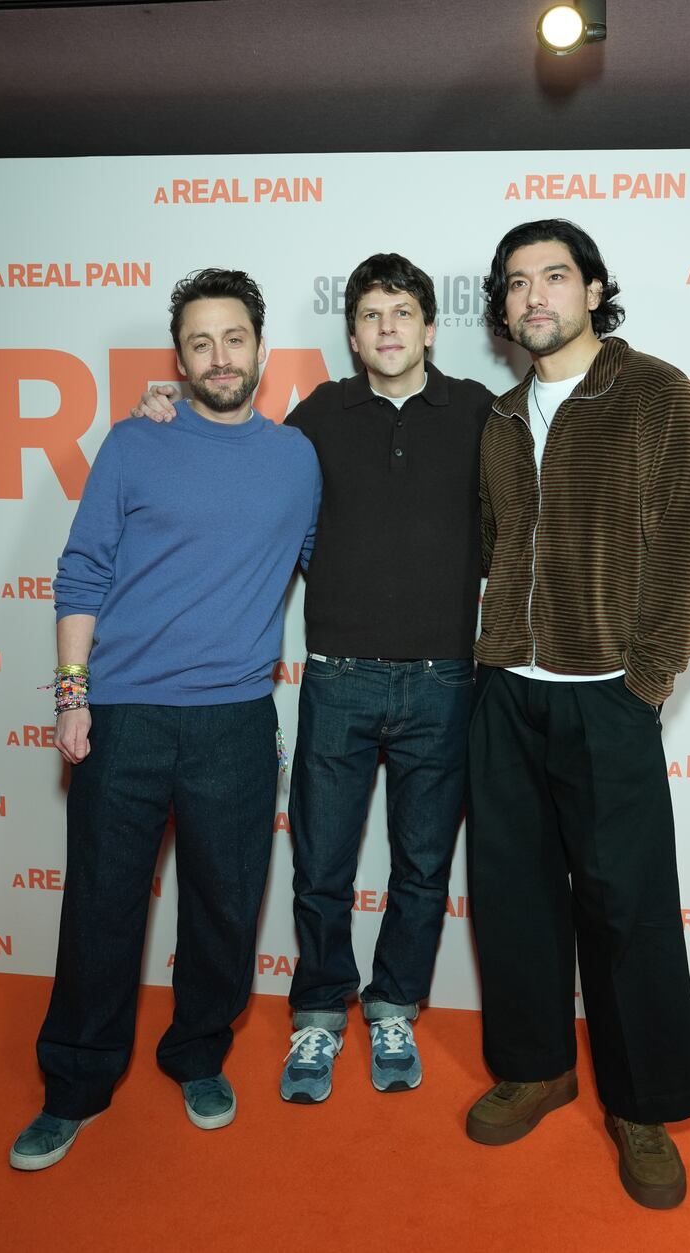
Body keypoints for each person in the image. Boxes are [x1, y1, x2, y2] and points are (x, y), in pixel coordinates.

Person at [132, 254, 494, 1102]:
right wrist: (166, 409)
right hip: (337, 681)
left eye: (403, 312)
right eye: (370, 315)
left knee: (423, 864)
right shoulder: (320, 415)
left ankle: (395, 1003)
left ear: (430, 327)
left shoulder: (480, 410)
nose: (388, 328)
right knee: (321, 864)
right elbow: (236, 454)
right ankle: (320, 1016)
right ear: (353, 333)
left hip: (444, 682)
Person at [9, 269, 321, 1171]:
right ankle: (74, 1084)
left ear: (259, 348)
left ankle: (196, 1054)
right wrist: (72, 694)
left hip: (233, 720)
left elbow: (330, 561)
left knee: (224, 910)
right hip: (124, 716)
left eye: (233, 339)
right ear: (178, 357)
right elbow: (81, 574)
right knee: (100, 907)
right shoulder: (132, 443)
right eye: (198, 342)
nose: (218, 357)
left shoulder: (297, 458)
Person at [465, 219, 690, 1210]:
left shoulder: (655, 394)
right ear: (501, 307)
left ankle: (640, 1102)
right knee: (514, 894)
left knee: (626, 908)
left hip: (605, 697)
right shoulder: (493, 417)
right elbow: (489, 544)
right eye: (516, 282)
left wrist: (642, 682)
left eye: (553, 276)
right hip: (504, 693)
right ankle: (536, 1064)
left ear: (592, 287)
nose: (534, 296)